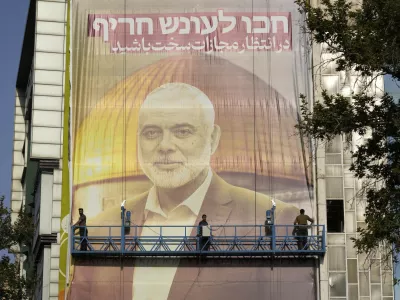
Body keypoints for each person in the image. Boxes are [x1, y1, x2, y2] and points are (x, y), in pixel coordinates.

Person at [71, 83, 300, 299]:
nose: (165, 146)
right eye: (151, 133)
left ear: (212, 139)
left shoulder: (274, 219)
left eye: (182, 131)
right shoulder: (98, 230)